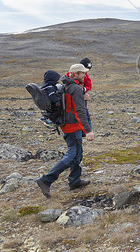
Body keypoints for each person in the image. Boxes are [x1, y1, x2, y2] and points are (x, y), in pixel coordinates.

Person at [36, 64, 95, 198]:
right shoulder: (74, 88)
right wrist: (88, 130)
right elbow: (80, 111)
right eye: (82, 74)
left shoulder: (67, 85)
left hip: (68, 125)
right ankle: (46, 180)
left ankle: (74, 180)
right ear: (75, 74)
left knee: (77, 154)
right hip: (73, 126)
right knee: (72, 155)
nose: (85, 76)